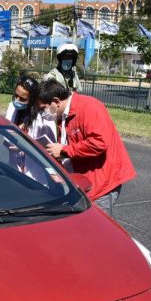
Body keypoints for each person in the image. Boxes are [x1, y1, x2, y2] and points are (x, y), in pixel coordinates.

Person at [37, 79, 136, 216]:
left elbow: (100, 141)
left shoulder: (88, 107)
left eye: (43, 108)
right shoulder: (63, 115)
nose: (43, 113)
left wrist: (64, 150)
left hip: (102, 184)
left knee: (97, 229)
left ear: (56, 101)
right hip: (85, 183)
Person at [4, 75, 56, 181]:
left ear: (32, 100)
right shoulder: (11, 108)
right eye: (16, 95)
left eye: (23, 99)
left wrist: (24, 147)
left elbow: (50, 149)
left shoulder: (43, 119)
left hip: (35, 174)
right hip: (15, 167)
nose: (17, 100)